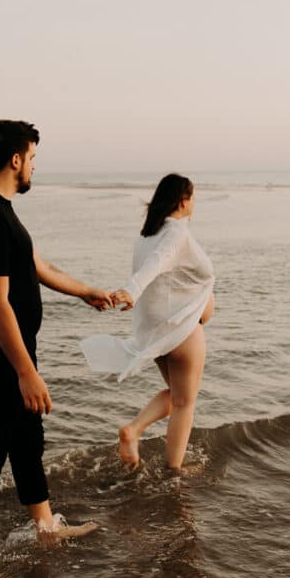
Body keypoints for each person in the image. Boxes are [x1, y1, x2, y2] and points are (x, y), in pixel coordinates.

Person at [0, 120, 112, 578]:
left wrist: (87, 292)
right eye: (33, 158)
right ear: (16, 159)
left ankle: (45, 528)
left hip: (10, 351)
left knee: (26, 439)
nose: (34, 166)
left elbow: (37, 267)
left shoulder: (3, 212)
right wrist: (25, 372)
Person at [81, 174, 215, 474]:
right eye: (193, 198)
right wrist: (131, 290)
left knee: (177, 396)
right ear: (183, 200)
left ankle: (133, 429)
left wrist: (135, 291)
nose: (194, 204)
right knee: (185, 404)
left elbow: (161, 272)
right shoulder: (176, 233)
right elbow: (156, 265)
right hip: (182, 330)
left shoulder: (146, 236)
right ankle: (174, 470)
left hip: (158, 335)